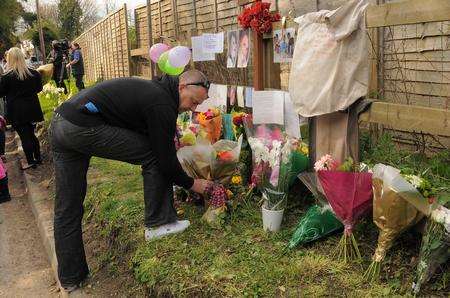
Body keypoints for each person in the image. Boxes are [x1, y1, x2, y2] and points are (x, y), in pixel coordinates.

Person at [50, 70, 212, 291]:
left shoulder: (155, 91)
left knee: (66, 207)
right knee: (155, 156)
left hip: (61, 122)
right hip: (81, 127)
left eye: (197, 105)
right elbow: (164, 159)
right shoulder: (162, 102)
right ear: (182, 86)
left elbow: (139, 125)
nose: (193, 109)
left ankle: (70, 277)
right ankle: (159, 223)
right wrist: (193, 184)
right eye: (193, 102)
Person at [0, 47, 44, 170]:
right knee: (32, 134)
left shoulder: (7, 77)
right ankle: (38, 158)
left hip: (16, 110)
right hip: (32, 108)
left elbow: (1, 92)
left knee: (24, 136)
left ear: (10, 59)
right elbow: (39, 89)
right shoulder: (34, 73)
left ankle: (30, 161)